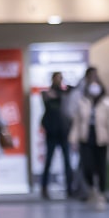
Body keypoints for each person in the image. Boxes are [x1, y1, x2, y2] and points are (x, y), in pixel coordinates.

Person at [70, 68, 109, 209]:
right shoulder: (83, 102)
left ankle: (102, 193)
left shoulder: (107, 103)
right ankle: (91, 190)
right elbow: (77, 122)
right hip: (86, 138)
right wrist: (73, 140)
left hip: (101, 139)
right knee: (87, 166)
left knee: (101, 167)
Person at [39, 71, 73, 200]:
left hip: (63, 131)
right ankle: (44, 188)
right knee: (48, 161)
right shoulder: (47, 93)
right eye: (57, 78)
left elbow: (67, 95)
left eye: (61, 78)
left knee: (67, 161)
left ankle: (69, 188)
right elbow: (47, 100)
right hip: (52, 131)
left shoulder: (64, 93)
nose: (59, 81)